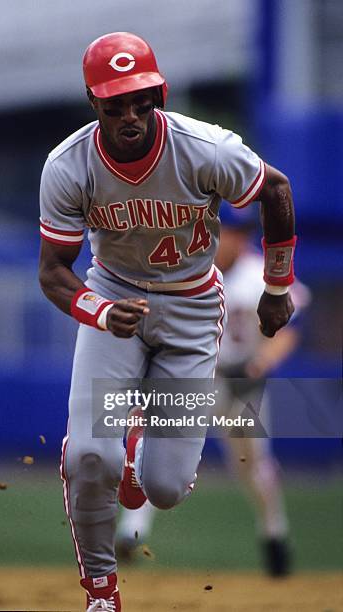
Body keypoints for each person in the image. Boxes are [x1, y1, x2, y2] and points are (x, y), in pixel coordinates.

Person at [38, 32, 297, 611]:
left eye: (141, 100)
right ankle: (101, 592)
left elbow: (275, 189)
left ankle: (137, 456)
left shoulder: (204, 147)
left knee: (165, 488)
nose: (130, 114)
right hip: (116, 297)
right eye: (114, 104)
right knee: (88, 456)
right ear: (92, 101)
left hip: (193, 310)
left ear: (160, 92)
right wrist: (100, 311)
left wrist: (278, 284)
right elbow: (54, 271)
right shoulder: (68, 164)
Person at [116, 206, 309, 578]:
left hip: (241, 381)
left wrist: (260, 365)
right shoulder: (186, 269)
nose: (236, 239)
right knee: (162, 448)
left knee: (253, 467)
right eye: (229, 231)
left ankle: (275, 534)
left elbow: (290, 329)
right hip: (195, 378)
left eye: (241, 232)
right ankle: (130, 532)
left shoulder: (259, 276)